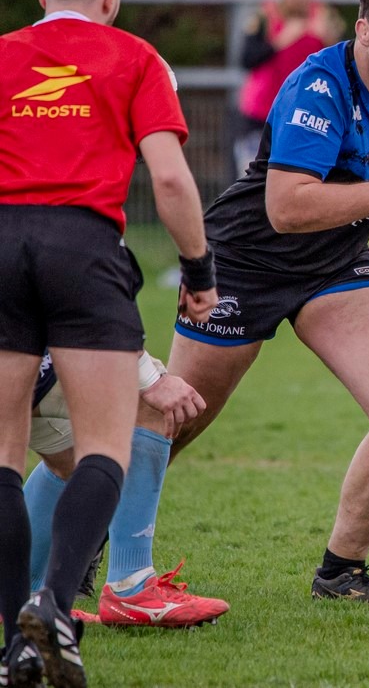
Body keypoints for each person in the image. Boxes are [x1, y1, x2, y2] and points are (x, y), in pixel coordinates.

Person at [163, 0, 369, 606]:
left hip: (335, 263)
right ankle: (81, 537)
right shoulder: (316, 86)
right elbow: (286, 208)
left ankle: (341, 572)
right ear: (363, 29)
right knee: (170, 425)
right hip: (245, 261)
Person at [0, 0, 217, 688]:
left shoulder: (2, 56)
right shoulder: (135, 58)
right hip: (82, 245)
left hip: (1, 242)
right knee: (104, 445)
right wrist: (198, 271)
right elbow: (168, 178)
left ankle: (14, 644)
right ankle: (55, 606)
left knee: (4, 450)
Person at [25, 249, 229, 630]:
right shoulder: (82, 202)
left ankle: (20, 593)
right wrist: (150, 378)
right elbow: (86, 292)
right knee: (150, 405)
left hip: (21, 329)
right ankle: (131, 587)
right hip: (23, 340)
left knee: (67, 457)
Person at [234, 0, 344, 175]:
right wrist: (279, 41)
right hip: (261, 113)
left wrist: (328, 39)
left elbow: (344, 60)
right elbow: (246, 59)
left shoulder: (324, 17)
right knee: (252, 175)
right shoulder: (265, 16)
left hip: (305, 111)